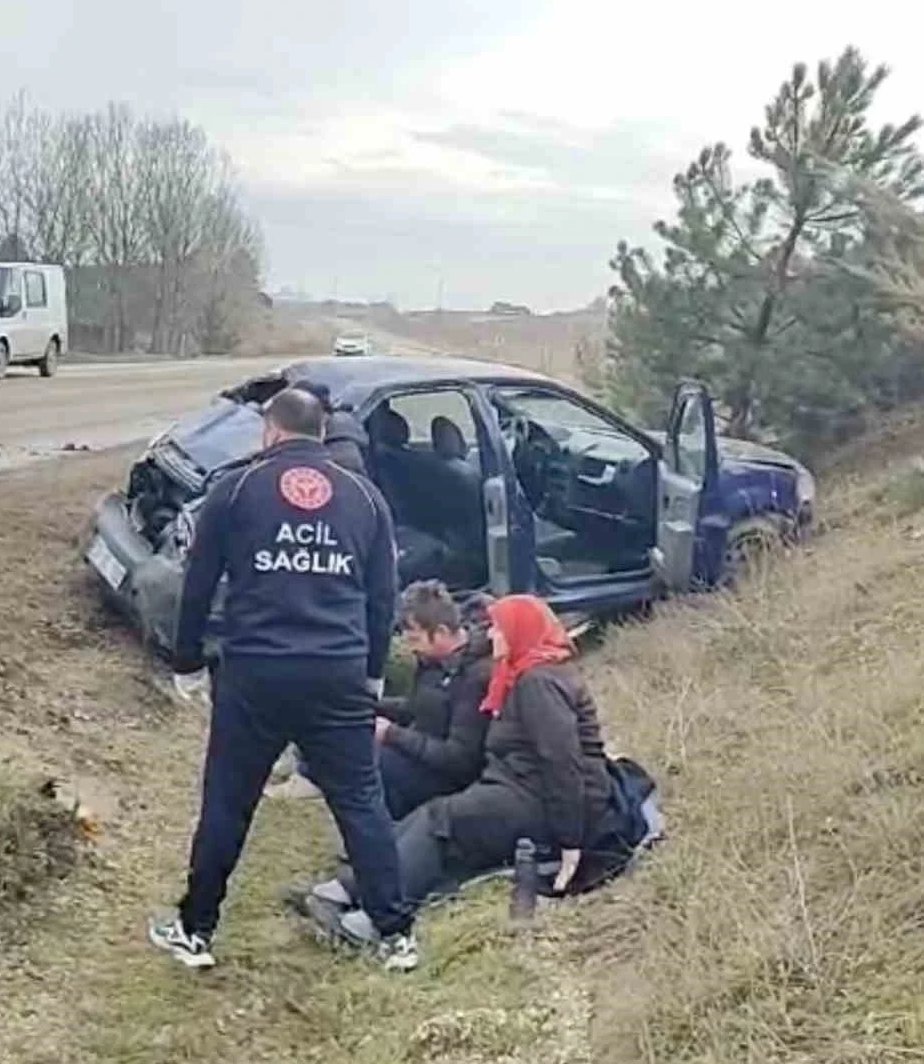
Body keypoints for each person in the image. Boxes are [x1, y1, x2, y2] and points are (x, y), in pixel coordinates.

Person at [149, 386, 419, 972]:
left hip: (254, 673)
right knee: (359, 801)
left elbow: (197, 584)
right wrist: (372, 673)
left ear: (270, 432)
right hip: (337, 672)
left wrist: (187, 662)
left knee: (228, 802)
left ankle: (196, 930)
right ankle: (396, 935)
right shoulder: (365, 498)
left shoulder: (238, 489)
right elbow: (381, 599)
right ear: (322, 432)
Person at [308, 594, 661, 941]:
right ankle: (348, 887)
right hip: (517, 786)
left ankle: (376, 921)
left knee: (439, 821)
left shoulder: (539, 684)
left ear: (521, 632)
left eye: (500, 630)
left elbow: (562, 763)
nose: (491, 636)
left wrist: (571, 841)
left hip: (534, 800)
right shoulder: (526, 674)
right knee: (425, 817)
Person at [373, 581, 492, 820]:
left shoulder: (475, 676)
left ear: (441, 633)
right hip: (423, 756)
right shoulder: (432, 663)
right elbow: (416, 708)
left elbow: (460, 758)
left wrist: (392, 734)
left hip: (451, 778)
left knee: (368, 759)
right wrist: (371, 706)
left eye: (415, 639)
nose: (410, 648)